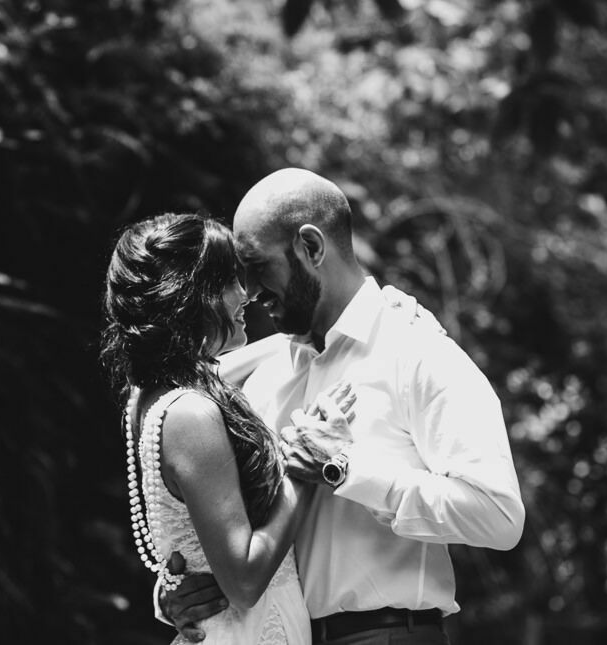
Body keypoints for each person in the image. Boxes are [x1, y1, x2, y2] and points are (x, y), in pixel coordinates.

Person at [161, 169, 526, 645]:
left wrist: (347, 468)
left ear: (311, 248)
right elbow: (231, 522)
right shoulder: (267, 374)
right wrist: (175, 594)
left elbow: (500, 517)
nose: (248, 290)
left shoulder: (417, 352)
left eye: (258, 266)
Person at [102, 213, 359, 644]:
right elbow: (243, 582)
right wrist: (304, 468)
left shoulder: (150, 395)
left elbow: (256, 353)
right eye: (229, 281)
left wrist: (377, 309)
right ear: (191, 295)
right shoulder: (191, 414)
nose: (246, 294)